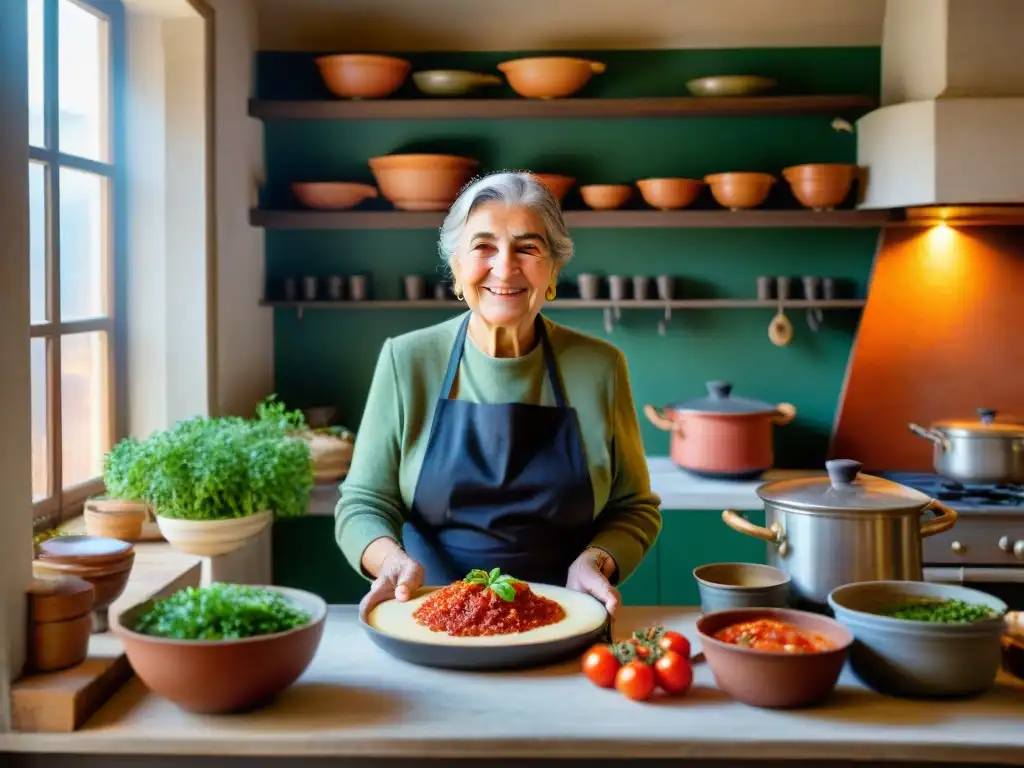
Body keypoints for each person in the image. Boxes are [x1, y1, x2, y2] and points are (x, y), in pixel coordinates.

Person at [336, 171, 662, 619]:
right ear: (456, 266)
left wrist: (597, 560)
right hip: (431, 615)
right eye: (483, 246)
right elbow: (362, 503)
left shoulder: (601, 366)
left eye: (528, 248)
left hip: (565, 616)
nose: (505, 267)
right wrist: (391, 561)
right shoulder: (406, 360)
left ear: (553, 270)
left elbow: (634, 506)